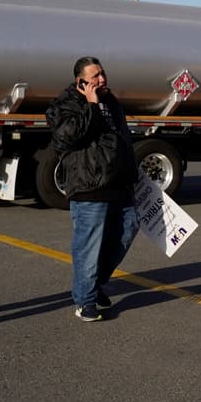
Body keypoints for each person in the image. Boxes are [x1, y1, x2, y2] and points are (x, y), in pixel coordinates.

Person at [46, 56, 140, 322]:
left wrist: (132, 172)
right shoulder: (65, 104)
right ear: (80, 81)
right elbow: (68, 137)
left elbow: (121, 139)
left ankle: (94, 285)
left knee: (128, 229)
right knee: (89, 245)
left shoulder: (111, 101)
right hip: (89, 185)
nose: (102, 79)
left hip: (118, 183)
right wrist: (91, 105)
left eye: (102, 73)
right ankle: (85, 301)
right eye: (95, 76)